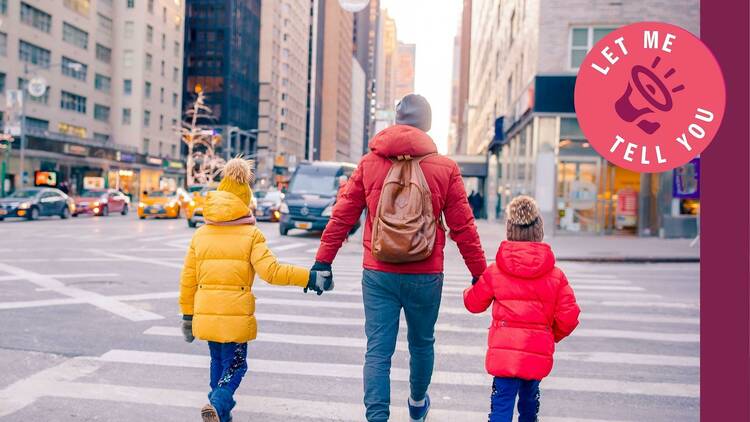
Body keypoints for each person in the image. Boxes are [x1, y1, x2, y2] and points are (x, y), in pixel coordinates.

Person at [311, 94, 487, 422]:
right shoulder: (446, 168)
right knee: (422, 343)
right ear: (428, 125)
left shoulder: (369, 163)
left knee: (378, 350)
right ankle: (418, 403)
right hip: (426, 273)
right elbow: (463, 227)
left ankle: (377, 418)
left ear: (397, 121)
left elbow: (342, 217)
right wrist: (480, 273)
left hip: (378, 273)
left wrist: (323, 262)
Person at [178, 158, 333, 422]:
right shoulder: (251, 235)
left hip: (206, 315)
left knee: (218, 363)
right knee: (236, 364)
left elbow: (188, 279)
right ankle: (218, 403)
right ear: (244, 203)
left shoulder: (200, 235)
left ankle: (219, 414)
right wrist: (309, 278)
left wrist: (187, 316)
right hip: (235, 316)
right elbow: (272, 272)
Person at [463, 195, 580, 422]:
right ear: (539, 230)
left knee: (501, 408)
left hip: (504, 359)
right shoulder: (555, 276)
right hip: (536, 354)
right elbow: (570, 315)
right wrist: (548, 335)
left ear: (509, 230)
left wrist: (473, 286)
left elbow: (473, 304)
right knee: (528, 407)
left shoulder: (496, 271)